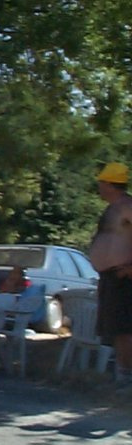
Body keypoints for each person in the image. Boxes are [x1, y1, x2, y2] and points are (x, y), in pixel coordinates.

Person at [88, 162, 132, 387]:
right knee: (115, 328)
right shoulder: (112, 207)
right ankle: (122, 372)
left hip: (123, 277)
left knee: (125, 328)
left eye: (101, 182)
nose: (99, 186)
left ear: (109, 184)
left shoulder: (127, 206)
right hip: (110, 277)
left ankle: (127, 374)